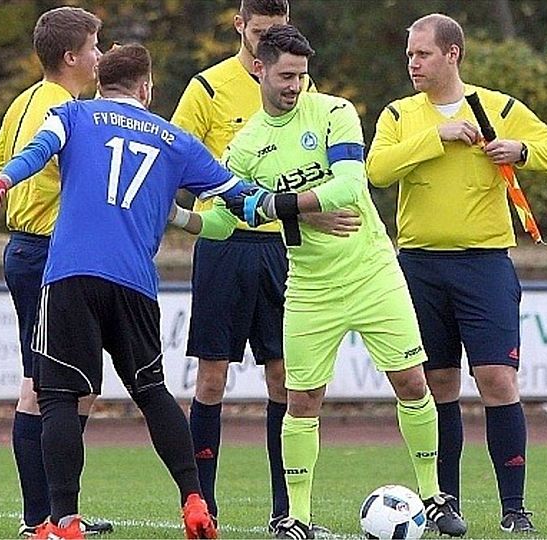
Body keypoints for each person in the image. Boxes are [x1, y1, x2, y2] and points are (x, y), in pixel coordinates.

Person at [169, 24, 467, 539]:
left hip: (373, 271)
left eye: (302, 76)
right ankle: (296, 518)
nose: (295, 85)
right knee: (300, 400)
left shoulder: (334, 112)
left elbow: (349, 186)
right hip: (309, 285)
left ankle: (434, 497)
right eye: (286, 75)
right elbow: (224, 221)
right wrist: (173, 217)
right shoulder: (245, 150)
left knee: (413, 383)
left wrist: (277, 208)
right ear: (259, 69)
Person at [0, 43, 261, 540]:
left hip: (70, 276)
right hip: (134, 282)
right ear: (146, 88)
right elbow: (242, 197)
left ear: (102, 82)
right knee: (152, 393)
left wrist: (0, 184)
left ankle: (63, 522)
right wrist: (303, 208)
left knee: (60, 398)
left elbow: (36, 153)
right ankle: (195, 501)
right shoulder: (175, 141)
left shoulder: (71, 114)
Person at [365, 13, 547, 534]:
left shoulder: (498, 107)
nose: (412, 63)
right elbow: (377, 171)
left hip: (484, 264)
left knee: (497, 380)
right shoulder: (399, 115)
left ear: (452, 54)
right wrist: (435, 137)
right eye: (410, 54)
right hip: (418, 264)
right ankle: (444, 505)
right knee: (436, 384)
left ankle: (514, 509)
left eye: (423, 54)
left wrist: (520, 150)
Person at [170, 0, 354, 532]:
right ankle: (202, 507)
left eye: (279, 30)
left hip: (284, 245)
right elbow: (173, 158)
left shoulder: (303, 88)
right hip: (225, 246)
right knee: (211, 377)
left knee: (284, 377)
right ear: (240, 27)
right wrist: (179, 209)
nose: (271, 39)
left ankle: (285, 512)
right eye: (261, 31)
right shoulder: (206, 89)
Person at [0, 6, 112, 537]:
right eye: (96, 46)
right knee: (47, 387)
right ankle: (43, 519)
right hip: (50, 254)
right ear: (71, 56)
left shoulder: (23, 101)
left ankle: (56, 512)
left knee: (68, 384)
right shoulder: (62, 109)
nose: (101, 56)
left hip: (28, 250)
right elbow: (73, 174)